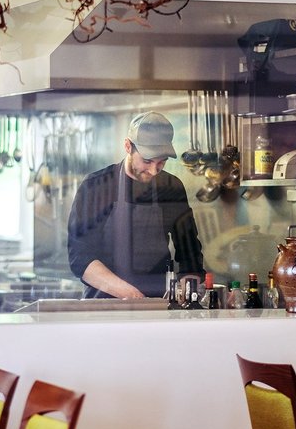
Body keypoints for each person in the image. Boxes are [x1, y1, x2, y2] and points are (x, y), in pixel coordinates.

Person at [67, 111, 205, 298]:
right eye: (147, 160)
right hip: (103, 306)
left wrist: (187, 292)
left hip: (157, 305)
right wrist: (131, 295)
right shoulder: (96, 186)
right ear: (127, 146)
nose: (154, 170)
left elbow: (189, 252)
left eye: (161, 162)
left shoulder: (172, 187)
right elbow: (80, 257)